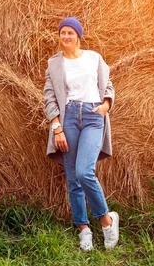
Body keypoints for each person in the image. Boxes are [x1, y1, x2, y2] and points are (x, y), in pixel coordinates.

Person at [43, 16, 119, 252]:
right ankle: (83, 229)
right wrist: (57, 128)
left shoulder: (94, 58)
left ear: (78, 35)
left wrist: (106, 105)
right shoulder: (54, 63)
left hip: (93, 116)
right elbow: (49, 97)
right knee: (73, 178)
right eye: (62, 32)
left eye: (70, 32)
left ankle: (107, 221)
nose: (65, 36)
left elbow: (107, 85)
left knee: (85, 171)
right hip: (69, 118)